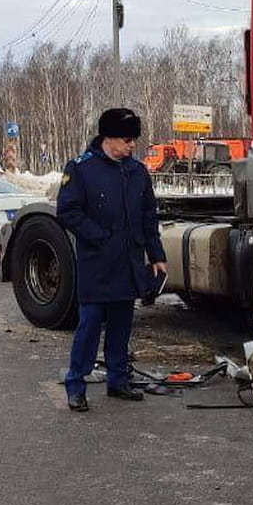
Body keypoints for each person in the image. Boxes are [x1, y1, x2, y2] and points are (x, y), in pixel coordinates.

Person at [58, 108, 167, 412]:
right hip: (96, 265)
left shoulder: (137, 171)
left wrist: (156, 255)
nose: (133, 145)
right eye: (127, 139)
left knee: (121, 326)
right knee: (90, 326)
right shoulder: (81, 169)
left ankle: (118, 381)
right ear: (108, 138)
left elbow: (148, 216)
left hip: (128, 264)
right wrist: (99, 237)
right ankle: (76, 385)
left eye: (134, 139)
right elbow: (67, 211)